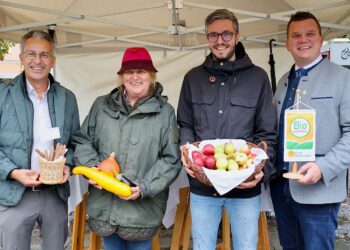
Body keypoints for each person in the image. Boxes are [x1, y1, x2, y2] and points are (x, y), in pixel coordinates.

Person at [177, 9, 277, 250]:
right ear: (206, 37)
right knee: (203, 246)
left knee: (245, 246)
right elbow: (185, 125)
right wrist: (188, 152)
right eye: (213, 35)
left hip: (245, 186)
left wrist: (260, 170)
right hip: (203, 185)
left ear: (237, 36)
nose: (219, 41)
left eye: (226, 34)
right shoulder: (193, 78)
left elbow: (267, 134)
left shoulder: (258, 77)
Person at [72, 47, 181, 250]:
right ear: (122, 77)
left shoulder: (165, 112)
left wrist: (144, 187)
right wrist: (93, 169)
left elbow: (171, 159)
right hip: (105, 206)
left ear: (152, 76)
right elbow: (82, 140)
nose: (135, 77)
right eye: (129, 72)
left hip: (142, 209)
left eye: (141, 71)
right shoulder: (101, 105)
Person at [270, 11, 350, 250]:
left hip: (319, 191)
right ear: (287, 44)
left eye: (309, 34)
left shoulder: (343, 78)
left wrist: (322, 168)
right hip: (282, 187)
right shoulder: (284, 81)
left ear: (321, 39)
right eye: (295, 35)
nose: (303, 40)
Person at [0, 30, 80, 250]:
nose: (38, 61)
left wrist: (69, 165)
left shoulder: (67, 98)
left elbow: (76, 143)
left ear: (53, 60)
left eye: (44, 55)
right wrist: (13, 172)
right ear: (22, 57)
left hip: (54, 194)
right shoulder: (2, 96)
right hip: (14, 194)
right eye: (31, 54)